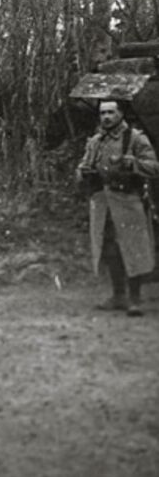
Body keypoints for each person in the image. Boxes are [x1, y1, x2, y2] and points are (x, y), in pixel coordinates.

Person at [77, 100, 159, 316]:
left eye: (111, 112)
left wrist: (130, 162)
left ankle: (135, 299)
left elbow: (154, 167)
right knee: (110, 249)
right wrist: (83, 171)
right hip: (103, 203)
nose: (106, 117)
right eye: (103, 113)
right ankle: (118, 295)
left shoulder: (135, 138)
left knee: (133, 249)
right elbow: (83, 165)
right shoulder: (96, 141)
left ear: (121, 113)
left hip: (128, 201)